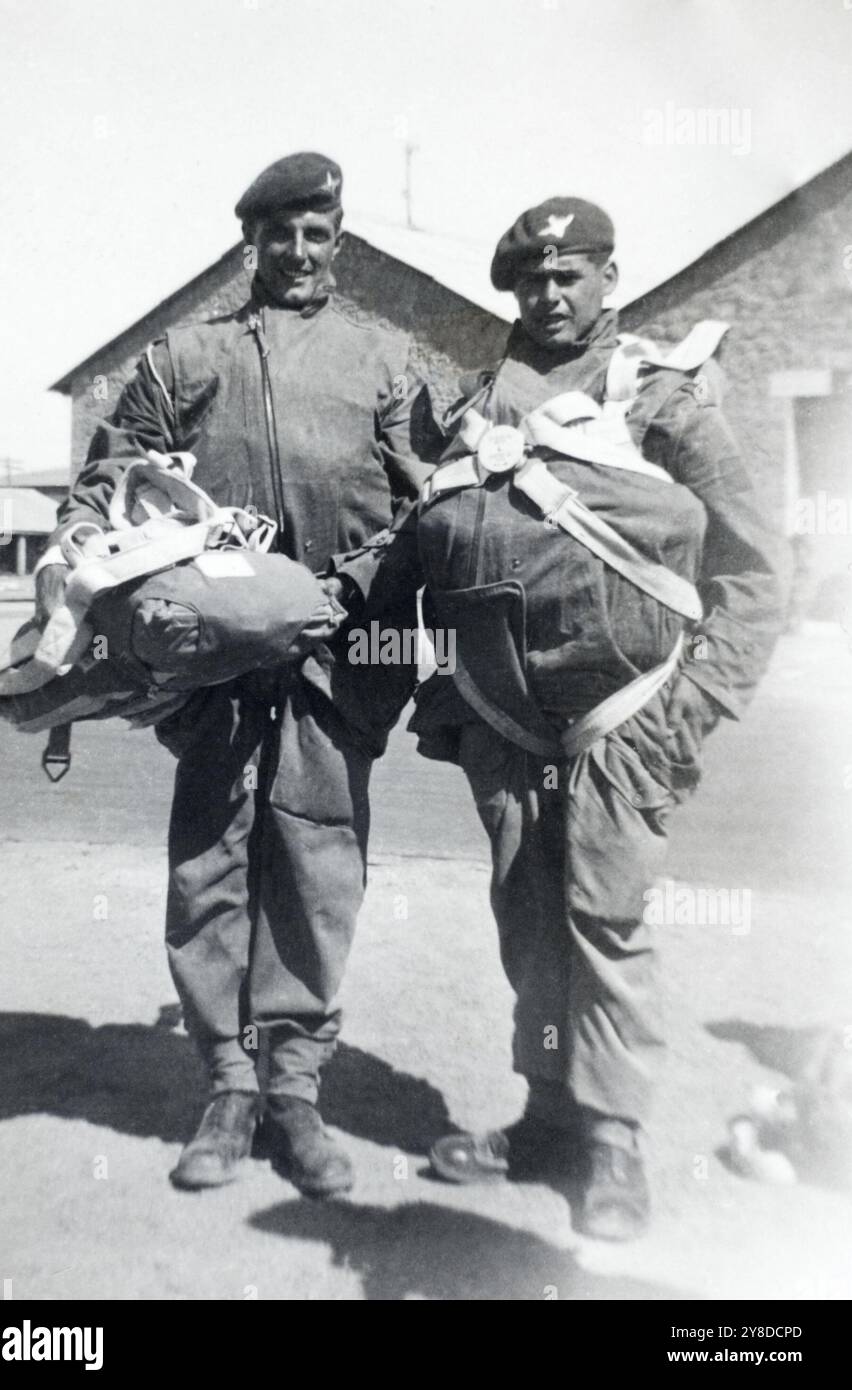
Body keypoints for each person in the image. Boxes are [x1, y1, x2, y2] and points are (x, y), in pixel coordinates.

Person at [334, 196, 787, 1239]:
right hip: (503, 722)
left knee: (605, 920)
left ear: (608, 279)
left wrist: (688, 712)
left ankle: (615, 1139)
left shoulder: (657, 391)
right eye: (532, 280)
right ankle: (546, 1118)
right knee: (528, 924)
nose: (549, 293)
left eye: (569, 274)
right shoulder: (471, 406)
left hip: (626, 719)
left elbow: (757, 571)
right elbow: (416, 547)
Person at [36, 152, 439, 1196]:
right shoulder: (182, 359)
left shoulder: (383, 362)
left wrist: (342, 596)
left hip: (334, 660)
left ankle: (295, 1090)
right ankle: (226, 1084)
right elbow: (107, 485)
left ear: (338, 241)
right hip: (210, 672)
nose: (299, 253)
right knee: (210, 861)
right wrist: (94, 578)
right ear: (247, 244)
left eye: (317, 233)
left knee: (317, 867)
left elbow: (423, 513)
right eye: (279, 235)